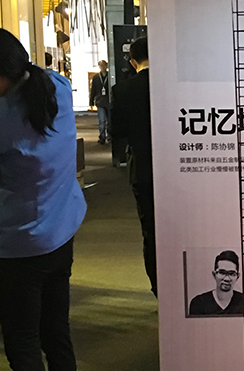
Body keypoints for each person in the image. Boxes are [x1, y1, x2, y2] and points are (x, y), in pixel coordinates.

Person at [0, 28, 87, 371]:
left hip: (21, 243)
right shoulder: (57, 86)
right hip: (62, 229)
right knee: (56, 331)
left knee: (22, 341)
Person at [111, 37, 156, 297]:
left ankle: (157, 286)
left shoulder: (122, 90)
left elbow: (117, 132)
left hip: (142, 168)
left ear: (132, 61)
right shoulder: (170, 85)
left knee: (150, 230)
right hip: (176, 168)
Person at [188, 251, 244, 316]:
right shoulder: (199, 303)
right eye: (222, 273)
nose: (227, 278)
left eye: (232, 274)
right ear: (214, 274)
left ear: (237, 276)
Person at [89, 60, 111, 144]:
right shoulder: (96, 77)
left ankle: (109, 136)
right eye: (101, 66)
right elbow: (93, 90)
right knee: (102, 120)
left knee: (109, 121)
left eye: (104, 65)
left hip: (108, 101)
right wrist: (91, 102)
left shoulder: (110, 76)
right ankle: (102, 136)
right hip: (100, 101)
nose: (103, 67)